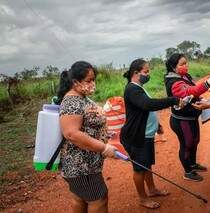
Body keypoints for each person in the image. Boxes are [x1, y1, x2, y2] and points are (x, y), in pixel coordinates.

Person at [120, 58, 186, 209]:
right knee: (139, 169)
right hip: (136, 136)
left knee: (147, 164)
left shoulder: (139, 87)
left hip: (146, 134)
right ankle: (143, 198)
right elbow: (148, 105)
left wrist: (157, 125)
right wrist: (173, 100)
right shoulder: (132, 89)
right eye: (146, 71)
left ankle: (152, 189)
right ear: (135, 73)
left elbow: (144, 111)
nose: (148, 74)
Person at [56, 61, 118, 213]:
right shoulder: (72, 102)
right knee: (99, 198)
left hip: (86, 164)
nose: (93, 84)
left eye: (93, 79)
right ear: (75, 82)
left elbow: (86, 123)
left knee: (81, 198)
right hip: (81, 166)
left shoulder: (81, 97)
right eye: (89, 80)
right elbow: (71, 133)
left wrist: (102, 133)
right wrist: (104, 147)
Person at [164, 53, 210, 181]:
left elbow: (192, 92)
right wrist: (208, 83)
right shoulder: (173, 82)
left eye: (186, 62)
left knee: (195, 141)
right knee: (187, 144)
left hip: (191, 117)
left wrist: (200, 98)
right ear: (173, 67)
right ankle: (188, 172)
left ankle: (193, 164)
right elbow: (190, 92)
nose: (186, 65)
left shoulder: (184, 76)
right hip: (181, 120)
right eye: (182, 64)